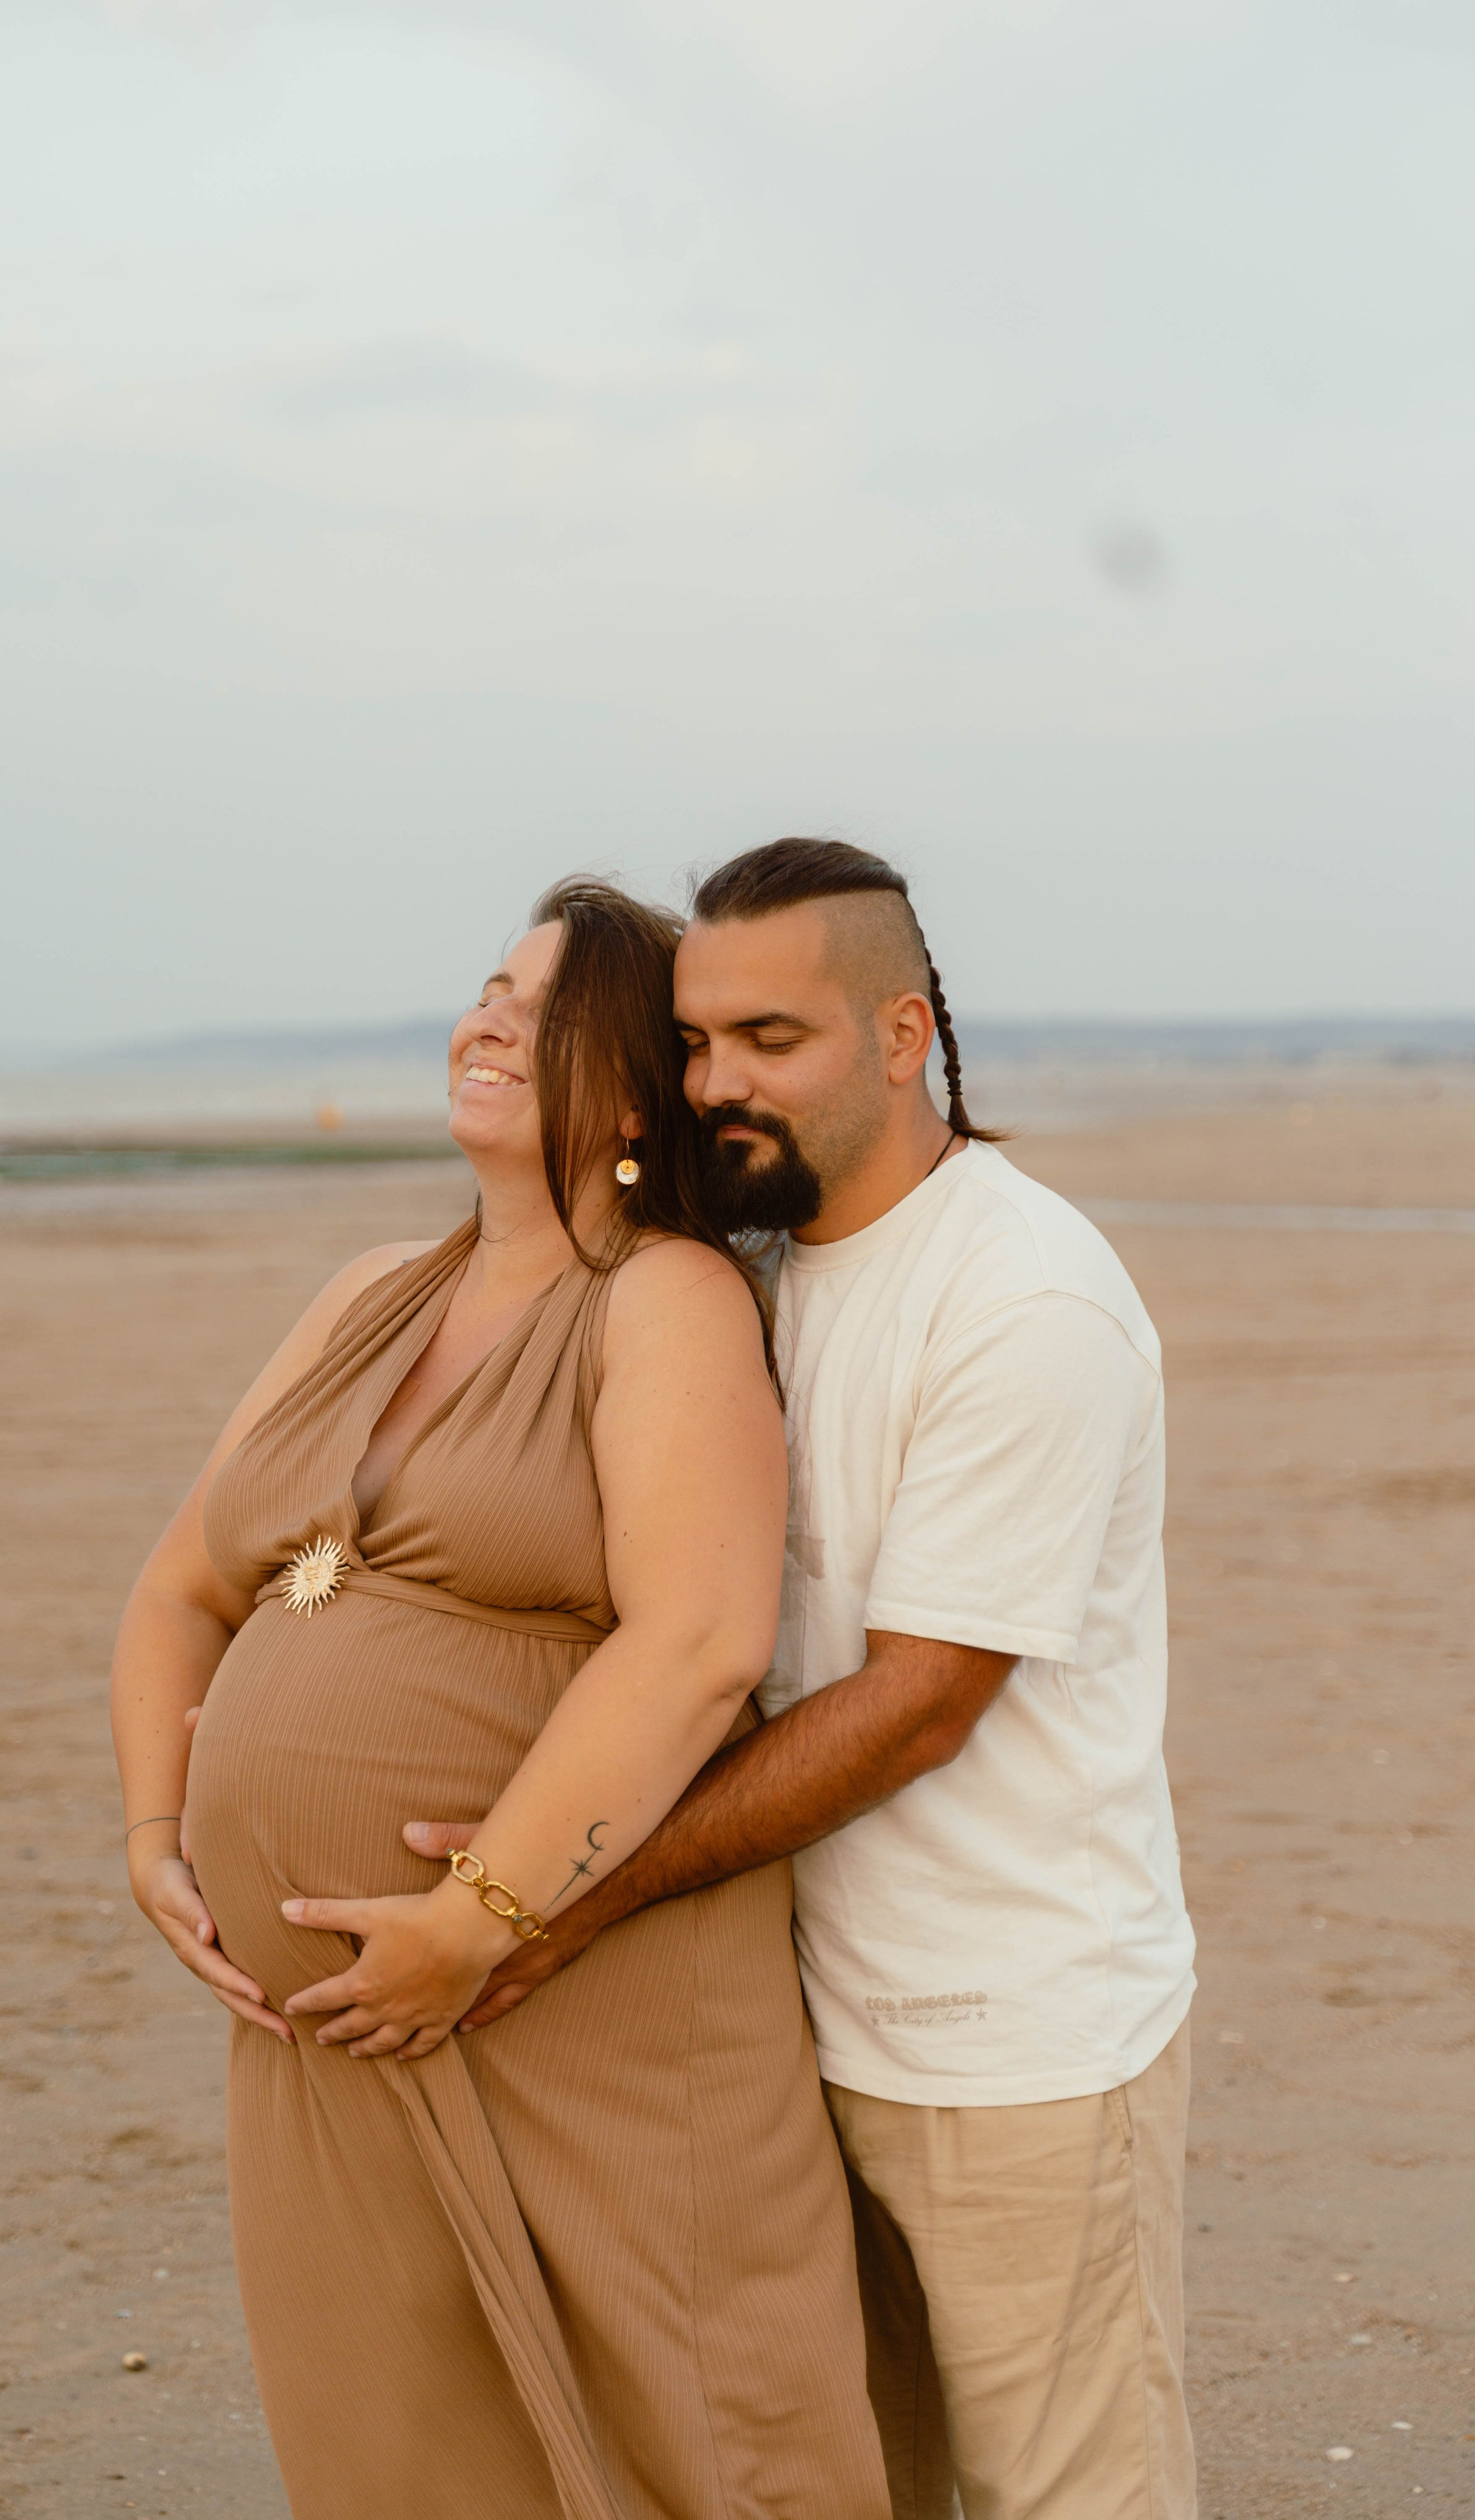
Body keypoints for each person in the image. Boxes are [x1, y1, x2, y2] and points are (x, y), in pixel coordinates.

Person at [411, 839, 1200, 2520]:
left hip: (1011, 2043)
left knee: (1065, 2495)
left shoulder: (1021, 1295)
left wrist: (566, 1890)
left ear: (903, 1034)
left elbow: (917, 1704)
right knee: (867, 2485)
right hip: (781, 2031)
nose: (718, 1084)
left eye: (772, 1039)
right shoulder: (743, 1266)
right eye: (695, 1043)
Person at [109, 877, 892, 2520]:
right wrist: (154, 1834)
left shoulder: (661, 1296)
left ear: (634, 1094)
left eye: (545, 1011)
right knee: (397, 2432)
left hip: (570, 1991)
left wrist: (476, 1919)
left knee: (698, 2425)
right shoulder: (367, 1290)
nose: (489, 1022)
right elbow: (182, 1585)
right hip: (325, 2023)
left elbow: (697, 1643)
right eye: (487, 988)